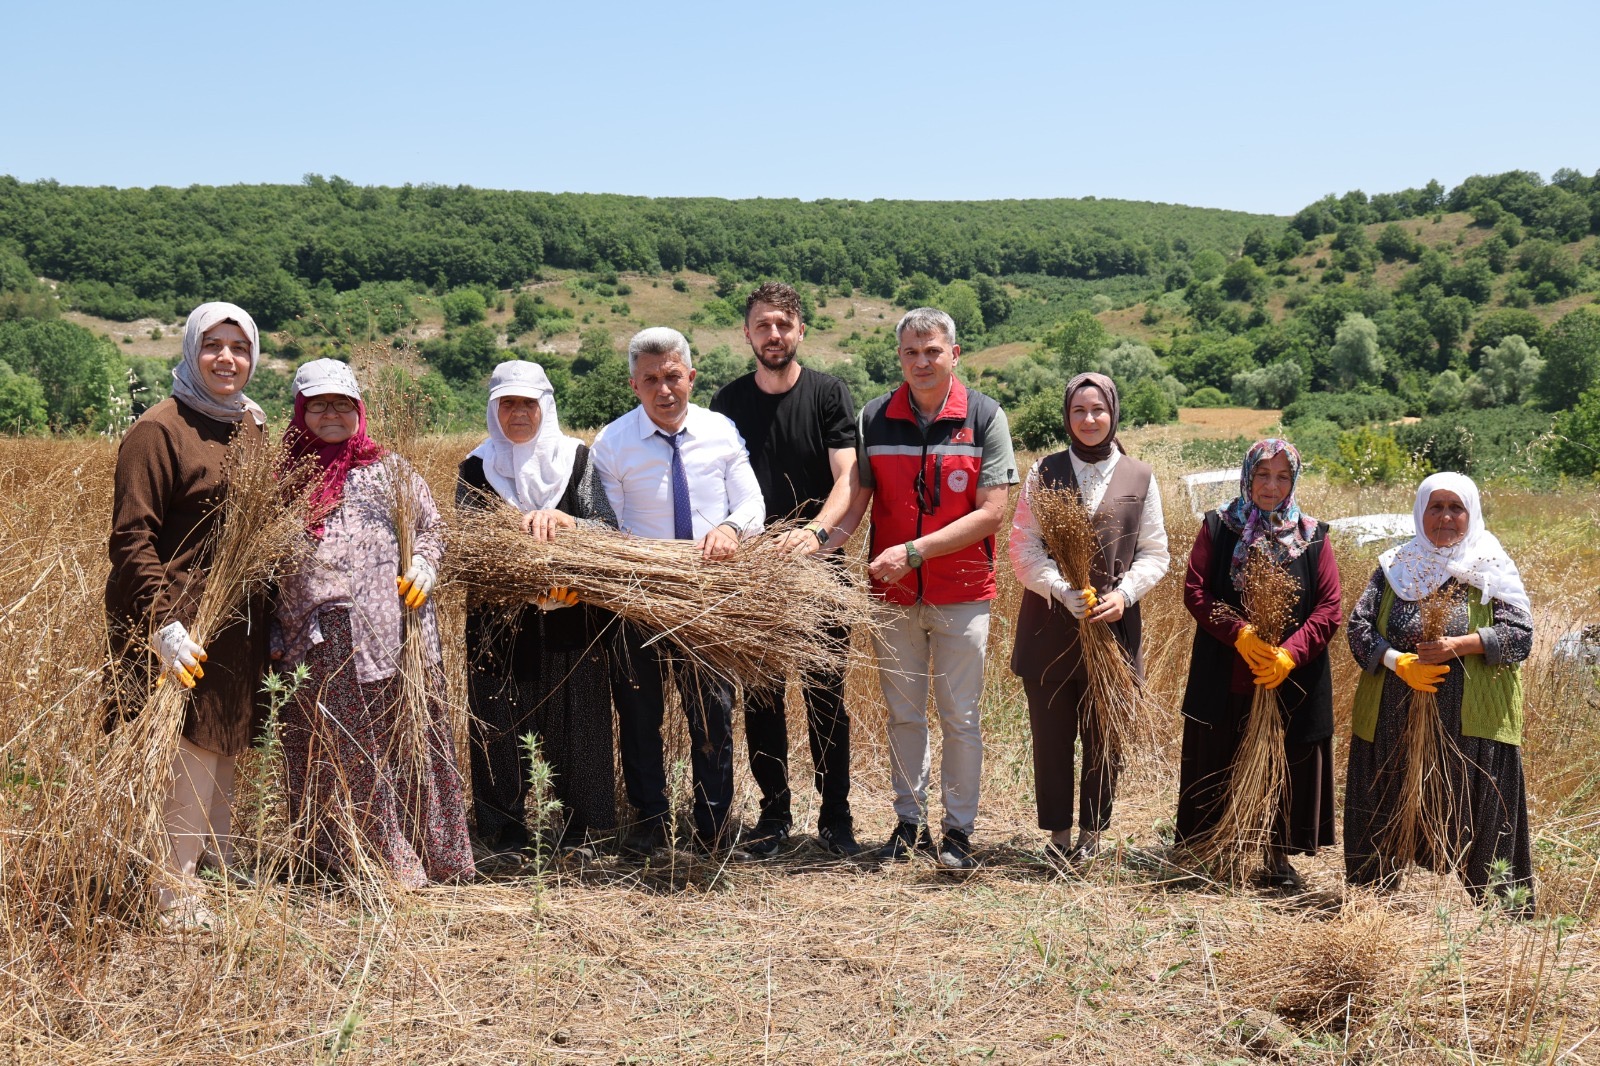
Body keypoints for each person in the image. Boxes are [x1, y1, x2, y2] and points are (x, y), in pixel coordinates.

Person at [271, 359, 474, 887]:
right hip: (319, 635)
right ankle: (358, 863)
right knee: (338, 749)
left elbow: (433, 531)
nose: (331, 414)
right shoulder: (282, 477)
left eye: (342, 404)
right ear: (300, 411)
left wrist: (425, 566)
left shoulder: (392, 469)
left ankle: (435, 857)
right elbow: (260, 569)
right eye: (318, 405)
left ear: (359, 411)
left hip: (395, 632)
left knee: (408, 740)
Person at [106, 301, 273, 925]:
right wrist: (162, 624)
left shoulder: (250, 424)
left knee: (224, 739)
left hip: (235, 616)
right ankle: (173, 893)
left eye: (239, 347)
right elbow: (131, 538)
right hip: (179, 619)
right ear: (189, 350)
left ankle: (219, 866)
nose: (226, 358)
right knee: (191, 749)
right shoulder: (159, 429)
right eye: (213, 345)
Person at [836, 307, 1018, 870]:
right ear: (900, 358)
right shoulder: (873, 417)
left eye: (933, 351)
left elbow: (993, 513)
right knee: (904, 714)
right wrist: (814, 541)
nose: (922, 362)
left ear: (954, 355)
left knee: (961, 715)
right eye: (911, 352)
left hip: (962, 591)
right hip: (891, 596)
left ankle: (959, 832)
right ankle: (909, 824)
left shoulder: (985, 417)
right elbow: (856, 506)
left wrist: (916, 551)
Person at [590, 327, 765, 854]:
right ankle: (649, 824)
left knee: (712, 711)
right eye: (651, 380)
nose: (664, 390)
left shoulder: (721, 431)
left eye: (673, 377)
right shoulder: (612, 442)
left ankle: (713, 828)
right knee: (640, 715)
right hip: (638, 597)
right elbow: (608, 529)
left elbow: (752, 503)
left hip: (710, 595)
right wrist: (654, 565)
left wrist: (732, 529)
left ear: (691, 376)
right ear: (633, 385)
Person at [709, 282, 862, 857]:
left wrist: (817, 534)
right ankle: (773, 817)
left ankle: (835, 817)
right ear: (747, 335)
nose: (774, 335)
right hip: (752, 572)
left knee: (825, 696)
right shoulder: (727, 403)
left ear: (801, 332)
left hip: (822, 567)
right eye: (763, 325)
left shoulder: (828, 394)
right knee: (762, 697)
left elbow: (847, 476)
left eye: (784, 324)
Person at [1344, 472, 1534, 909]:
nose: (1446, 517)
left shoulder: (1490, 567)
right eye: (1436, 507)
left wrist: (1459, 645)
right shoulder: (1394, 566)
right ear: (1420, 512)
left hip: (1470, 723)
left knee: (1482, 809)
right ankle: (1371, 903)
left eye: (1456, 508)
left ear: (1472, 513)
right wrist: (1397, 661)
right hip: (1394, 714)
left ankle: (1501, 913)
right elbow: (1358, 628)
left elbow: (1520, 635)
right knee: (1383, 800)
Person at [458, 360, 619, 858]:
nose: (519, 413)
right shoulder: (475, 467)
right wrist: (518, 587)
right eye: (508, 403)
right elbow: (468, 548)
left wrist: (569, 526)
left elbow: (609, 531)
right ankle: (504, 831)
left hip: (575, 614)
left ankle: (586, 832)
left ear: (545, 407)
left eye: (528, 403)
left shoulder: (577, 459)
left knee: (581, 720)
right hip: (500, 622)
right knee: (498, 721)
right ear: (494, 409)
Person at [1008, 373, 1169, 865]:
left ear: (1113, 412)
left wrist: (1125, 595)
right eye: (1079, 411)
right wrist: (1058, 588)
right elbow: (1022, 544)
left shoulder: (1140, 476)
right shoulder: (1043, 471)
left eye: (1098, 409)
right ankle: (1058, 836)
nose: (1089, 419)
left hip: (1113, 629)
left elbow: (1155, 552)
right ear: (1067, 416)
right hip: (1049, 628)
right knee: (1052, 737)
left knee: (1105, 738)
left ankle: (1091, 837)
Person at [1173, 439, 1341, 890]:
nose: (1271, 485)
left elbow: (1329, 607)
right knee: (1220, 754)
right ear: (1247, 475)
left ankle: (1276, 856)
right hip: (1227, 673)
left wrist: (1290, 652)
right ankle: (1213, 849)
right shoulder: (1217, 526)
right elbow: (1196, 591)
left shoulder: (1314, 535)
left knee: (1284, 758)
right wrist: (1240, 635)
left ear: (1294, 480)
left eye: (1282, 476)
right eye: (1263, 474)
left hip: (1290, 676)